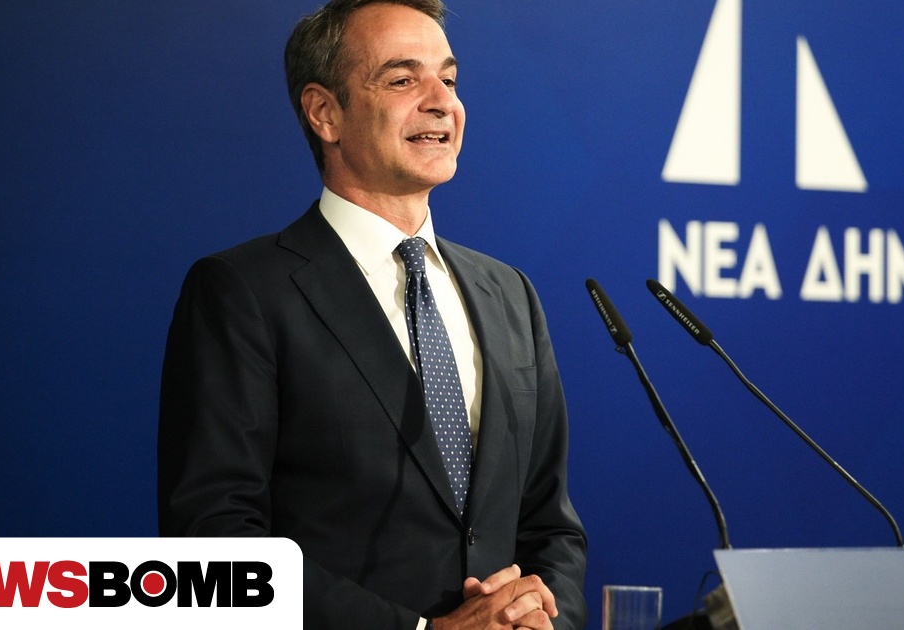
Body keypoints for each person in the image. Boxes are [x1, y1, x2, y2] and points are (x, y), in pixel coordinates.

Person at [157, 1, 587, 628]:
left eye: (449, 78)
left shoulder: (510, 294)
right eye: (403, 79)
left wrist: (542, 616)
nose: (442, 102)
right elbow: (213, 540)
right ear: (325, 113)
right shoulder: (244, 292)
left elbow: (552, 527)